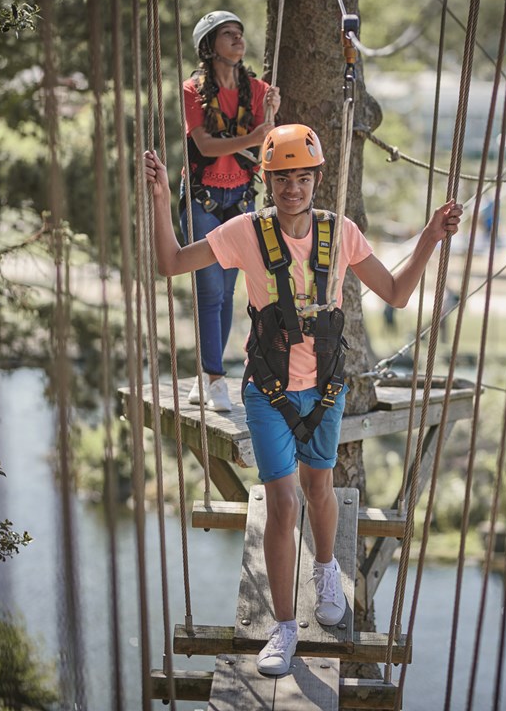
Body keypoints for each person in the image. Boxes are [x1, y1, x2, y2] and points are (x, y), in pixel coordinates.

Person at [144, 124, 462, 677]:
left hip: (325, 389)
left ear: (317, 179)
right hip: (268, 392)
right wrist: (155, 200)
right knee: (283, 502)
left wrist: (430, 237)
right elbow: (171, 263)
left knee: (320, 488)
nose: (293, 188)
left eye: (303, 177)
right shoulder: (245, 231)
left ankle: (323, 569)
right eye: (283, 178)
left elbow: (397, 293)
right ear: (267, 181)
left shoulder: (341, 234)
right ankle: (285, 629)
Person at [182, 10, 281, 412]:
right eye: (228, 34)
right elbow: (205, 146)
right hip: (205, 196)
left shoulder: (257, 91)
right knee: (209, 288)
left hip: (241, 198)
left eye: (240, 33)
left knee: (227, 292)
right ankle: (215, 378)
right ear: (210, 47)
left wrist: (271, 114)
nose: (239, 40)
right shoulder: (193, 92)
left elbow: (266, 147)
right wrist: (254, 135)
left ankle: (208, 376)